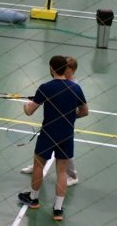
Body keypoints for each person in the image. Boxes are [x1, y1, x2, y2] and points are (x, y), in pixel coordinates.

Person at [16, 55, 88, 221]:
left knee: (38, 165)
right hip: (66, 135)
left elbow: (30, 111)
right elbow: (85, 111)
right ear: (65, 69)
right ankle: (58, 210)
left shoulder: (45, 87)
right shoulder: (76, 88)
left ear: (52, 68)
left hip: (48, 133)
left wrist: (25, 106)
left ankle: (34, 199)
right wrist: (70, 117)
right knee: (61, 171)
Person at [21, 55, 80, 186]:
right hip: (52, 124)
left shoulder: (74, 86)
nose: (63, 69)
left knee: (65, 154)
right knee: (45, 149)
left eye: (66, 68)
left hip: (65, 125)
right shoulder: (59, 82)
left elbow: (79, 110)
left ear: (72, 70)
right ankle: (37, 168)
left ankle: (73, 176)